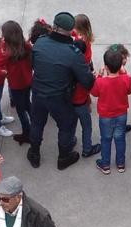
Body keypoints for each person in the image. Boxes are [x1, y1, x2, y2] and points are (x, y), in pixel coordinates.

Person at [27, 11, 96, 170]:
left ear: (55, 26)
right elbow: (87, 81)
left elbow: (33, 64)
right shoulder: (73, 53)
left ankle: (35, 155)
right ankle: (63, 157)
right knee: (66, 126)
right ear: (72, 30)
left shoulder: (40, 43)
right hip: (60, 98)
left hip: (38, 94)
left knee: (37, 124)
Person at [91, 46, 131, 174]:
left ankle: (105, 165)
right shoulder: (126, 78)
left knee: (106, 139)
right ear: (121, 64)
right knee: (120, 138)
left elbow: (94, 93)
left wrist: (98, 75)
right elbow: (130, 90)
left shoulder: (100, 82)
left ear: (106, 67)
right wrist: (125, 73)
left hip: (105, 116)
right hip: (121, 114)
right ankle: (120, 164)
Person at [70, 14, 101, 159]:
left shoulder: (70, 67)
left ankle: (70, 142)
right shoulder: (86, 40)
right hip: (80, 101)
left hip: (69, 100)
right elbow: (91, 86)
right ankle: (87, 148)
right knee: (86, 126)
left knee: (70, 124)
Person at [1, 20, 34, 143]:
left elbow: (2, 63)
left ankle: (27, 133)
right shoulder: (27, 47)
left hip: (16, 85)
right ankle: (35, 125)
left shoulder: (8, 53)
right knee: (27, 103)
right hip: (27, 82)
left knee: (21, 110)